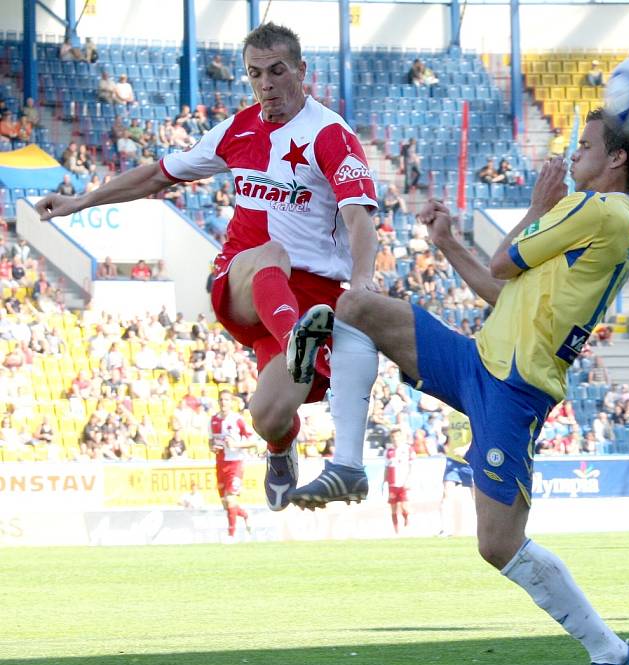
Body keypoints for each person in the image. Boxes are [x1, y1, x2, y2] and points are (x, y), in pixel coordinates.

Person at [289, 109, 629, 665]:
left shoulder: (603, 211)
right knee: (357, 306)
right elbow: (501, 289)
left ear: (617, 159)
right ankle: (347, 463)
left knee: (497, 543)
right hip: (479, 362)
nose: (571, 156)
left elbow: (509, 260)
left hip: (513, 389)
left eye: (584, 146)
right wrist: (449, 243)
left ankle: (610, 652)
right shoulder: (589, 219)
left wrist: (540, 203)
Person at [35, 22, 378, 512]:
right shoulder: (238, 129)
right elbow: (158, 175)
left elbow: (359, 219)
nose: (266, 83)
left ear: (302, 71)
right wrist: (82, 200)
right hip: (245, 280)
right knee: (270, 254)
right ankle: (295, 344)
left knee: (270, 415)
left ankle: (280, 449)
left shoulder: (331, 136)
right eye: (255, 73)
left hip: (308, 299)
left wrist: (361, 282)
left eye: (277, 70)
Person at [210, 390, 258, 539]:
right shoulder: (213, 420)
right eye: (221, 400)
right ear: (218, 402)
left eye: (226, 400)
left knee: (231, 499)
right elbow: (210, 441)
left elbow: (253, 441)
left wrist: (236, 444)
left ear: (231, 402)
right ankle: (245, 515)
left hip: (235, 464)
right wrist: (212, 447)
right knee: (226, 504)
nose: (224, 402)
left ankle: (231, 535)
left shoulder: (237, 420)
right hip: (220, 464)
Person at [439, 408, 474, 537]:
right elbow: (448, 434)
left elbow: (479, 436)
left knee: (477, 497)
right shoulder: (451, 415)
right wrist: (444, 430)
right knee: (446, 493)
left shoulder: (471, 414)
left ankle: (481, 529)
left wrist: (465, 448)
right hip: (453, 459)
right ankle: (445, 529)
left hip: (470, 460)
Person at [383, 427, 414, 534]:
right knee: (393, 508)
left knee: (405, 507)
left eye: (397, 436)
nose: (395, 439)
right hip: (392, 483)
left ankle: (406, 519)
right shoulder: (388, 451)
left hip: (404, 482)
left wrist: (409, 480)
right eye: (393, 437)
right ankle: (397, 531)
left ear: (401, 437)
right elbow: (386, 467)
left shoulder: (408, 449)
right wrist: (384, 481)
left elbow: (412, 466)